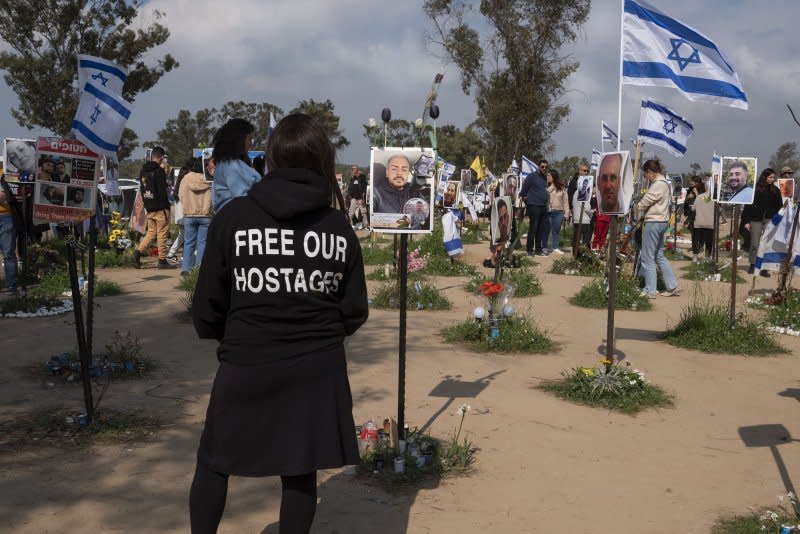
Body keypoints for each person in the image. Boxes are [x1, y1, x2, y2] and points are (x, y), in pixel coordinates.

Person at [189, 113, 368, 534]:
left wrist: (240, 335)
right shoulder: (339, 228)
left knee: (214, 461)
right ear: (323, 159)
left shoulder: (232, 221)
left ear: (269, 158)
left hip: (245, 361)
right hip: (315, 367)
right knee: (299, 467)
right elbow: (354, 310)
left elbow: (206, 308)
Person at [637, 159, 680, 298]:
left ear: (650, 172)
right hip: (661, 221)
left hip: (654, 221)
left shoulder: (658, 184)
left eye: (645, 174)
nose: (646, 177)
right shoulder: (664, 184)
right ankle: (671, 284)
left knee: (647, 257)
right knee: (658, 255)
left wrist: (637, 207)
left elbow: (647, 199)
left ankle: (650, 289)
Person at [133, 146, 174, 269]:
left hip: (149, 207)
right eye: (163, 158)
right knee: (162, 234)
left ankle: (138, 252)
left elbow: (142, 189)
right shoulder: (159, 171)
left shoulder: (143, 171)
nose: (163, 161)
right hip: (161, 207)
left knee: (151, 232)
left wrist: (147, 204)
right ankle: (162, 260)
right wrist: (166, 206)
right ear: (161, 157)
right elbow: (161, 191)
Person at [211, 118, 263, 211]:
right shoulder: (232, 166)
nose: (251, 144)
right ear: (240, 139)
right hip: (239, 219)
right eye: (250, 139)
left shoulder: (226, 163)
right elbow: (243, 199)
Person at [742, 168, 782, 276]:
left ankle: (764, 267)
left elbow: (779, 206)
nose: (772, 179)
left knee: (767, 244)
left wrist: (777, 219)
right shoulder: (755, 189)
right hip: (756, 219)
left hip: (770, 219)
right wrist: (746, 221)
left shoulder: (775, 191)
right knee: (755, 243)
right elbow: (748, 205)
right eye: (770, 177)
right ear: (765, 177)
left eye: (773, 177)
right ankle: (753, 264)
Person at [179, 157, 213, 275]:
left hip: (189, 215)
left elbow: (181, 195)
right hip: (205, 215)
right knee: (202, 243)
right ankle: (199, 270)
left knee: (188, 243)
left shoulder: (186, 178)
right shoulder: (208, 180)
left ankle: (186, 269)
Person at [520, 158, 550, 256]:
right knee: (533, 227)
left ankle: (538, 249)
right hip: (533, 206)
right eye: (542, 166)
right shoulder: (531, 177)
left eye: (546, 167)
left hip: (543, 206)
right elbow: (523, 192)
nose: (544, 168)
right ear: (538, 166)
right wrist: (529, 202)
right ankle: (529, 249)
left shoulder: (545, 178)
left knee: (540, 229)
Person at [0, 174, 21, 294]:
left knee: (8, 253)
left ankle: (11, 286)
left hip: (6, 217)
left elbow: (12, 197)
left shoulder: (6, 171)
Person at [546, 169, 569, 254]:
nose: (548, 177)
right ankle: (547, 246)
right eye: (547, 175)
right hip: (548, 212)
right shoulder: (546, 186)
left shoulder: (562, 188)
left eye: (549, 175)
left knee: (556, 230)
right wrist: (551, 187)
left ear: (554, 177)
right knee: (547, 230)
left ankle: (555, 246)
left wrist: (567, 213)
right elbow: (545, 194)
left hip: (559, 212)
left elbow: (565, 201)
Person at [683, 176, 705, 261]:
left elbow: (703, 201)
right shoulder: (689, 190)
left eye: (692, 181)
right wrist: (687, 198)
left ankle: (701, 245)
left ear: (697, 183)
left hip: (701, 215)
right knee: (694, 233)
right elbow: (686, 201)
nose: (690, 182)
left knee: (702, 233)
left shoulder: (702, 190)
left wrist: (696, 194)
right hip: (692, 214)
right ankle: (695, 250)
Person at [571, 182, 593, 251]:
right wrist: (592, 212)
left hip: (576, 218)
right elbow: (586, 207)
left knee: (576, 238)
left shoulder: (575, 192)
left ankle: (575, 254)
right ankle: (584, 255)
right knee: (585, 240)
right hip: (584, 219)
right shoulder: (583, 192)